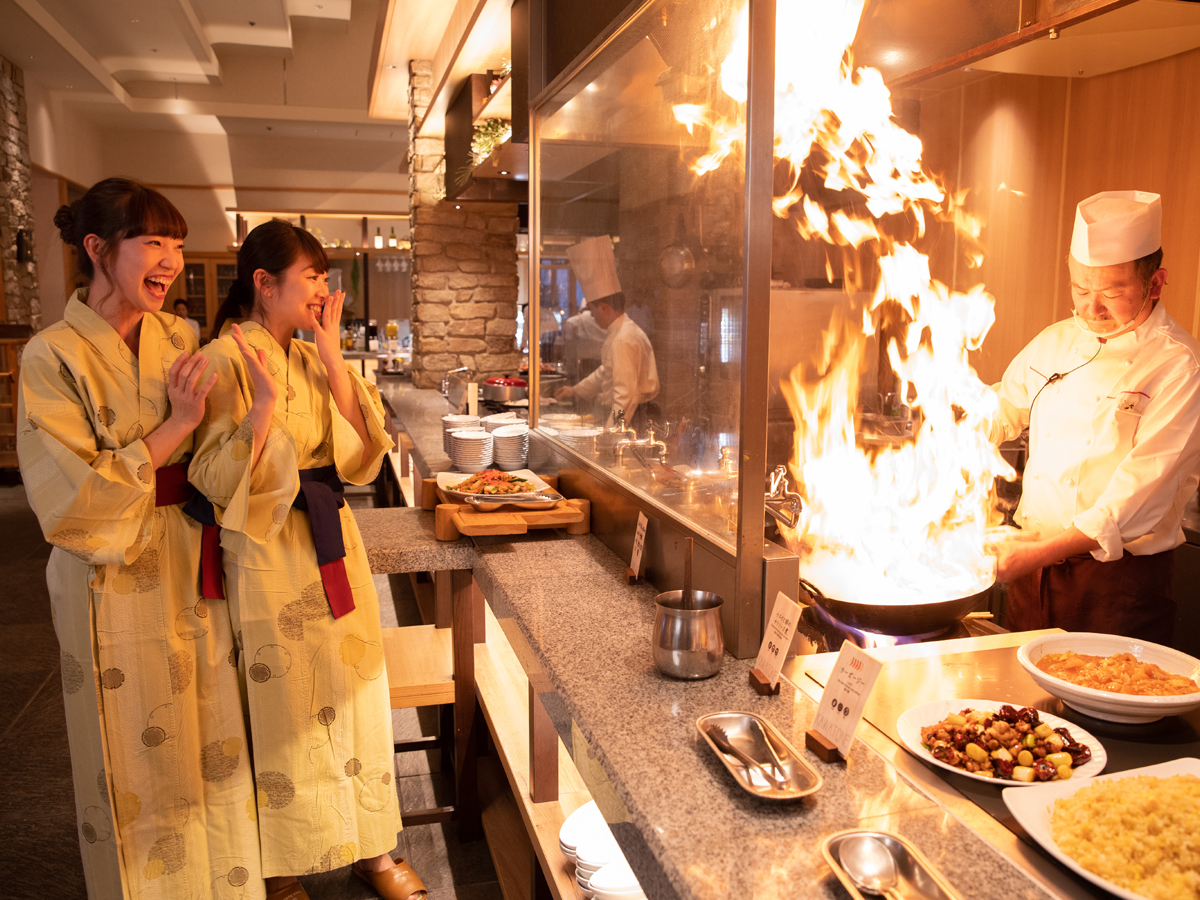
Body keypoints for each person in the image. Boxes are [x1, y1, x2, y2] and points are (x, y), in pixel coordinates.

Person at [16, 178, 265, 899]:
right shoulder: (50, 356)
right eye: (153, 241)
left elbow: (220, 455)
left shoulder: (183, 340)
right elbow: (73, 494)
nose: (171, 261)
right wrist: (176, 426)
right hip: (108, 571)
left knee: (207, 728)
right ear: (97, 249)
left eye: (178, 245)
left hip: (188, 552)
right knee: (123, 743)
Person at [189, 220, 424, 900]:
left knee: (357, 696)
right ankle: (281, 863)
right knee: (282, 707)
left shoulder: (306, 351)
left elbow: (360, 452)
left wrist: (329, 351)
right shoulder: (224, 358)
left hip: (333, 541)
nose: (324, 289)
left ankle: (374, 850)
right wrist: (261, 413)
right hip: (269, 549)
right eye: (311, 276)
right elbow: (209, 475)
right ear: (263, 284)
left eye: (325, 276)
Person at [990, 190, 1200, 642]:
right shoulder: (1057, 340)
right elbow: (1001, 409)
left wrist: (1041, 550)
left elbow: (1136, 495)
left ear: (1156, 283)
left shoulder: (1180, 366)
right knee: (1011, 709)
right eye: (1080, 289)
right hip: (1032, 574)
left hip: (1115, 588)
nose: (1091, 308)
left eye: (1111, 292)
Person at [555, 235, 659, 427]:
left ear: (604, 307)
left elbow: (625, 397)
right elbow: (605, 372)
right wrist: (575, 390)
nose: (592, 316)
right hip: (626, 415)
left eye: (593, 310)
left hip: (631, 419)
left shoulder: (623, 339)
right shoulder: (619, 332)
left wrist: (611, 435)